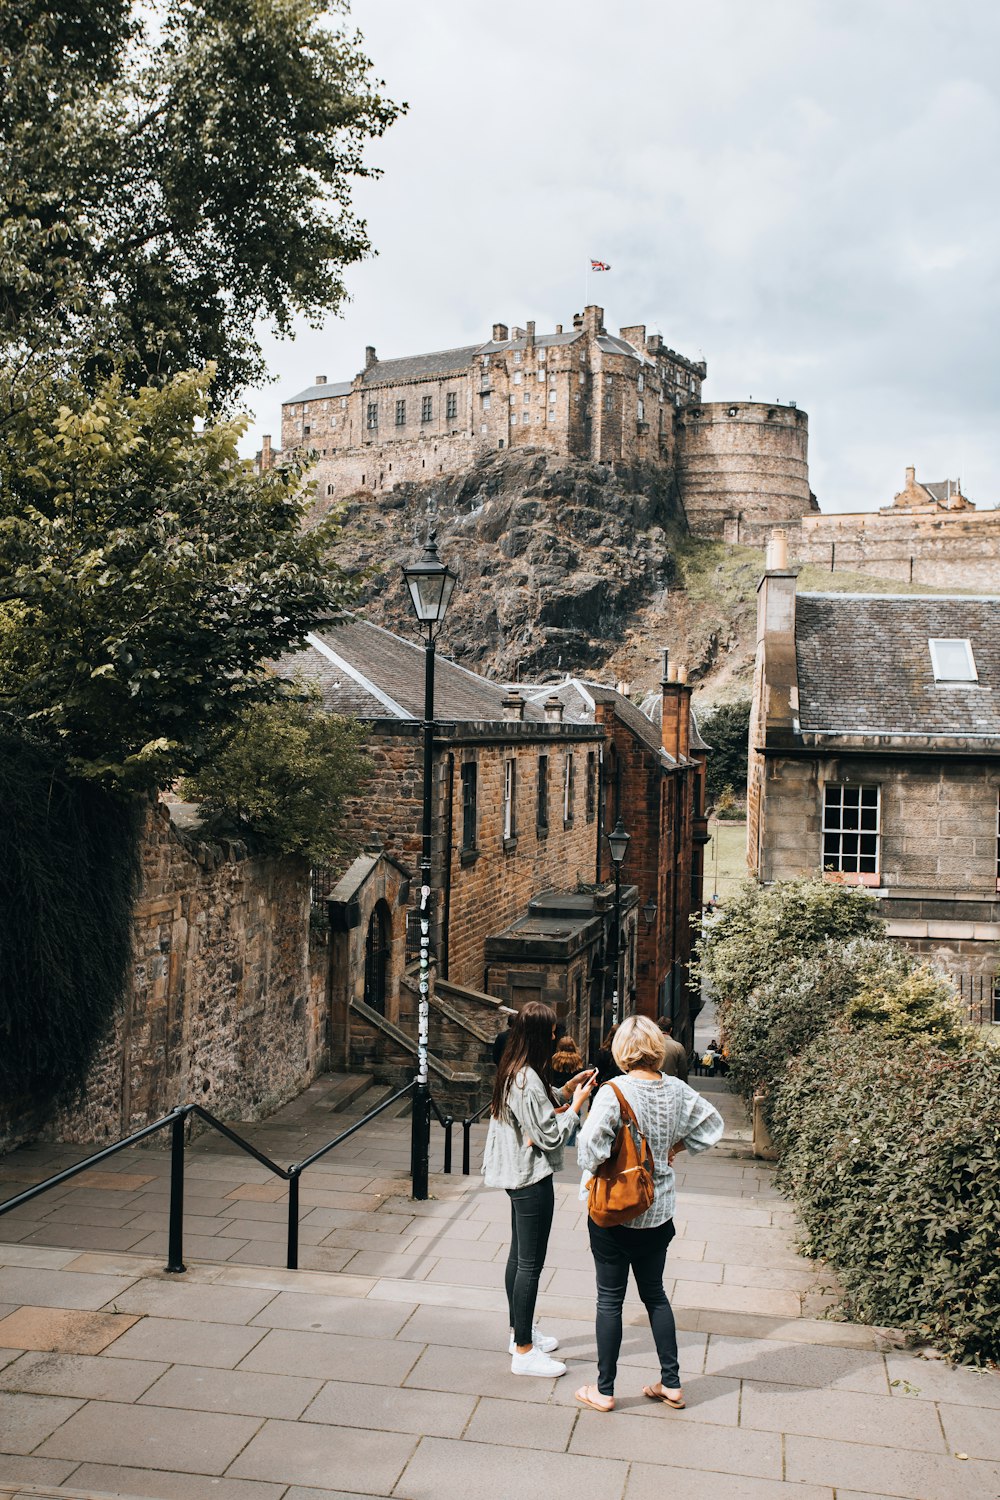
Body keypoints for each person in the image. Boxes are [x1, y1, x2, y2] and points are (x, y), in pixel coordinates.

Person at [574, 1014, 723, 1413]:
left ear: (622, 1051)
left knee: (610, 1299)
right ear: (657, 1049)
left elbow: (589, 1148)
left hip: (614, 1212)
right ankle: (671, 1384)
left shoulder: (612, 1091)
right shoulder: (677, 1090)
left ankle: (604, 1390)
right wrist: (677, 1148)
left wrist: (600, 1164)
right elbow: (713, 1125)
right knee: (655, 1295)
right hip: (658, 1211)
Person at [483, 1001, 597, 1378]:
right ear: (538, 1035)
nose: (555, 1037)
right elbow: (548, 1135)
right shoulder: (525, 1080)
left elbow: (540, 1105)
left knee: (519, 1258)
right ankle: (524, 1352)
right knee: (530, 1264)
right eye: (551, 1032)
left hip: (518, 1176)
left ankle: (520, 1331)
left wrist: (566, 1089)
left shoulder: (517, 1069)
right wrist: (578, 1107)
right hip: (530, 1179)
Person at [657, 1017, 689, 1083]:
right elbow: (683, 1072)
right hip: (670, 1085)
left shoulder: (649, 1044)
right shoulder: (678, 1047)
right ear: (671, 1030)